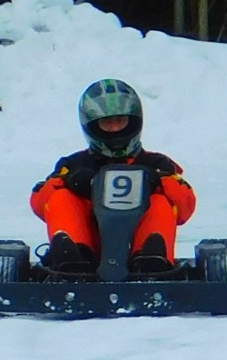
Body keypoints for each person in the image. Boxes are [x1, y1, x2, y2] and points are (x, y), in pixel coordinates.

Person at [29, 79, 196, 276]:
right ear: (92, 126)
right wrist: (67, 181)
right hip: (88, 251)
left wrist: (160, 181)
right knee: (61, 197)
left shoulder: (157, 164)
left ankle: (150, 260)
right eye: (107, 123)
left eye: (120, 121)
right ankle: (73, 257)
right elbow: (39, 202)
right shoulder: (72, 165)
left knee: (160, 201)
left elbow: (185, 208)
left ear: (134, 122)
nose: (115, 129)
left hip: (139, 250)